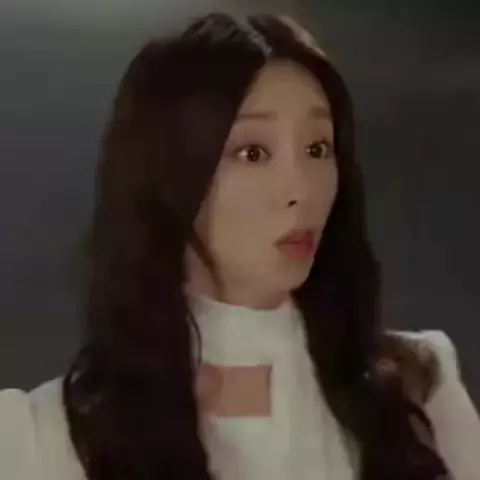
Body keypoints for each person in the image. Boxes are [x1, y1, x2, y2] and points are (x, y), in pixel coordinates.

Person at [1, 12, 479, 480]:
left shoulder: (415, 384)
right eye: (252, 153)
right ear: (166, 175)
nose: (301, 188)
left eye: (318, 148)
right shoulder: (41, 438)